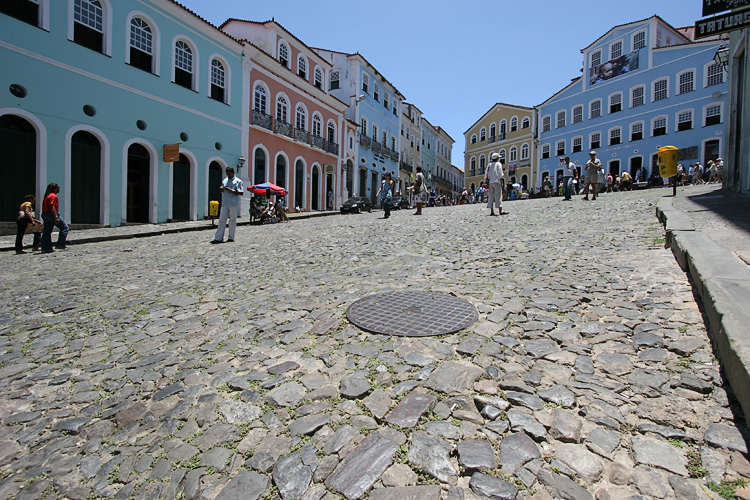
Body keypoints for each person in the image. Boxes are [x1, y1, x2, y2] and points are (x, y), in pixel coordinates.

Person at [211, 166, 243, 244]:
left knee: (232, 220)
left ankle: (231, 237)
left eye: (229, 174)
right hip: (225, 202)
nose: (228, 175)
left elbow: (241, 192)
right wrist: (221, 188)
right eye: (227, 174)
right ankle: (218, 237)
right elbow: (223, 190)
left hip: (233, 203)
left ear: (233, 173)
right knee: (222, 220)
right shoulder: (225, 180)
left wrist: (231, 190)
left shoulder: (238, 181)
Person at [40, 183, 69, 254]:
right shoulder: (53, 196)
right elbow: (52, 206)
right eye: (58, 188)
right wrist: (55, 217)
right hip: (51, 215)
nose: (59, 189)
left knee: (47, 232)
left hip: (45, 214)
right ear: (54, 188)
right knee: (65, 228)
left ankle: (46, 248)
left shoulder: (47, 196)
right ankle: (60, 244)